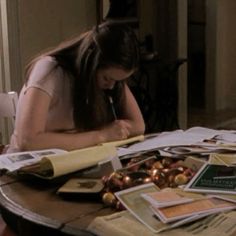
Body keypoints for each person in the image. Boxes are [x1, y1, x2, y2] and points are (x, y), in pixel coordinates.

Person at [7, 21, 145, 153]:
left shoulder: (111, 79)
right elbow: (28, 141)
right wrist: (101, 135)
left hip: (73, 162)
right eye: (107, 78)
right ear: (91, 63)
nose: (111, 87)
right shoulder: (50, 70)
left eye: (118, 81)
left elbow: (138, 125)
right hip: (27, 168)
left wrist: (115, 130)